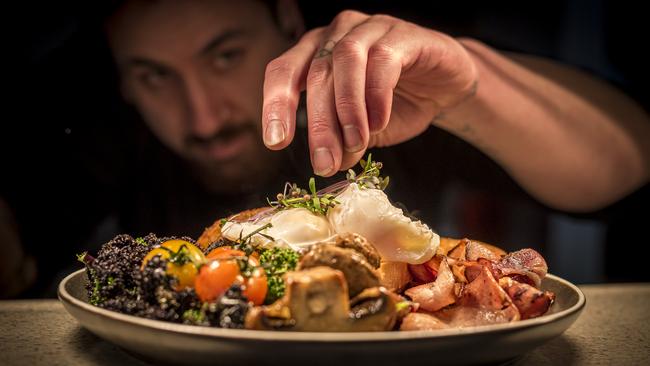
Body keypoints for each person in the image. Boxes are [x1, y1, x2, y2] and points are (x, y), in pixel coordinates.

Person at [3, 0, 648, 298]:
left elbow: (629, 164)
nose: (201, 117)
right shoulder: (93, 137)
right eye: (154, 75)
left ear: (286, 19)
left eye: (225, 55)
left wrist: (469, 88)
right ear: (120, 78)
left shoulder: (377, 96)